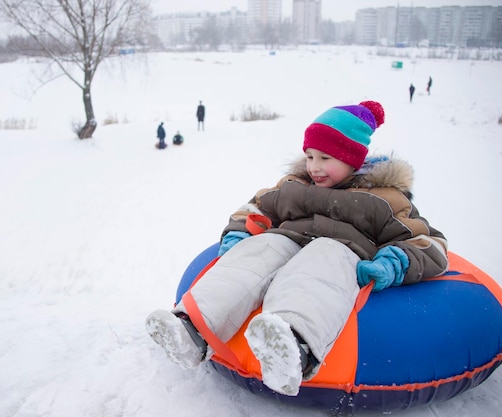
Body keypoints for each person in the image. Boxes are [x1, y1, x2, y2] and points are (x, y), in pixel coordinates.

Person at [145, 100, 448, 397]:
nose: (314, 167)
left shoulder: (384, 199)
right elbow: (255, 208)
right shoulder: (295, 186)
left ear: (353, 158)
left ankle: (291, 345)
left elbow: (427, 241)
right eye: (310, 156)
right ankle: (193, 329)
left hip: (341, 251)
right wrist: (240, 233)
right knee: (261, 249)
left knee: (321, 260)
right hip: (287, 241)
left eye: (325, 158)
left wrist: (393, 262)